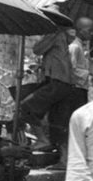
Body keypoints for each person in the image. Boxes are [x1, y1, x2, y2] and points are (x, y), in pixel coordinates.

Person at [19, 22, 75, 152]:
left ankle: (42, 140)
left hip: (57, 81)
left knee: (26, 106)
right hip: (63, 82)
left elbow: (37, 49)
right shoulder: (62, 36)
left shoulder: (54, 33)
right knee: (56, 119)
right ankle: (61, 156)